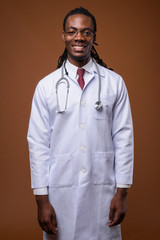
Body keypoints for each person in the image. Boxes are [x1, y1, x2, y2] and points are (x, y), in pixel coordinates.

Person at [27, 7, 134, 240]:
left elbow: (124, 138)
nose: (79, 38)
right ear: (63, 35)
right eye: (72, 31)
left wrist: (122, 192)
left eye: (86, 32)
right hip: (60, 192)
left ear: (94, 36)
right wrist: (41, 199)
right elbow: (37, 144)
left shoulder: (114, 83)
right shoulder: (46, 86)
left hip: (103, 191)